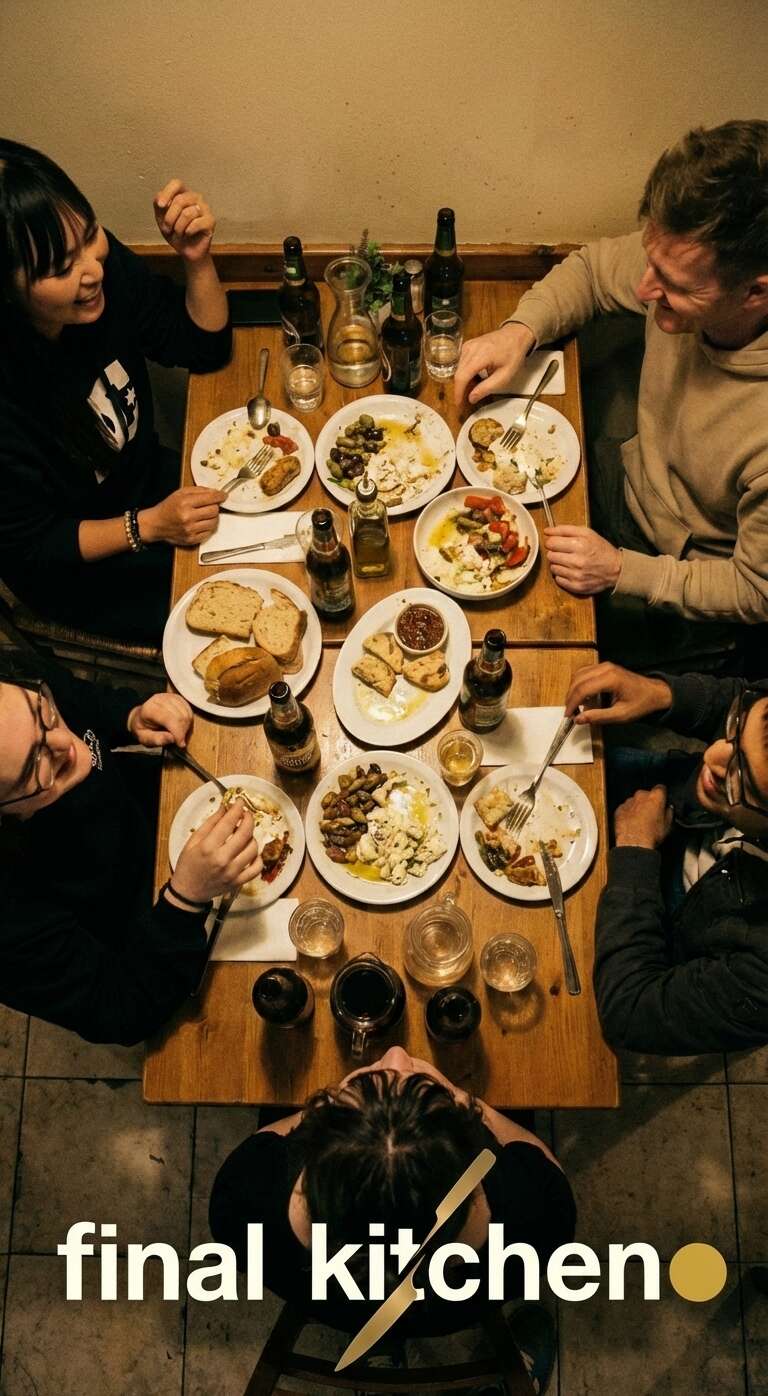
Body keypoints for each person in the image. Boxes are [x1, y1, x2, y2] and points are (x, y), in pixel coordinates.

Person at [455, 120, 768, 674]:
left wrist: (623, 570)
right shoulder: (682, 258)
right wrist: (518, 332)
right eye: (651, 260)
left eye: (673, 285)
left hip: (682, 599)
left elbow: (753, 590)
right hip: (623, 481)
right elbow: (594, 271)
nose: (646, 290)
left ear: (757, 291)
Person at [210, 1047, 574, 1389]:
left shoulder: (244, 1203)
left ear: (313, 1147)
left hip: (335, 1303)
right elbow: (537, 1156)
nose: (397, 1053)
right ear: (472, 1145)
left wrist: (328, 1103)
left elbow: (272, 1134)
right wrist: (467, 1100)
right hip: (450, 1309)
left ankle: (380, 1339)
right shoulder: (536, 1213)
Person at [0, 139, 231, 644]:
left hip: (156, 487)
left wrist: (196, 258)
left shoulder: (100, 278)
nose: (93, 269)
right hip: (87, 572)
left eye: (89, 235)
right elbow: (33, 547)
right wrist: (146, 526)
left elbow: (204, 347)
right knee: (223, 616)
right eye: (61, 268)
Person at [0, 646, 264, 1044]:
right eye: (36, 765)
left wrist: (129, 716)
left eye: (44, 715)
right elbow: (118, 1012)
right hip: (147, 937)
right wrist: (185, 899)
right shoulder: (9, 922)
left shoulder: (15, 685)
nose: (67, 745)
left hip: (155, 807)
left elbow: (76, 696)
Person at [564, 660, 768, 1054]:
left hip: (674, 914)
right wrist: (661, 694)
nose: (712, 756)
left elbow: (630, 1013)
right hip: (676, 807)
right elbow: (743, 702)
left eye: (742, 779)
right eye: (734, 731)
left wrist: (636, 850)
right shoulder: (730, 756)